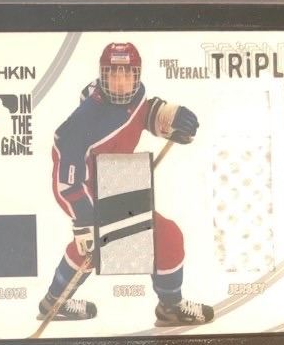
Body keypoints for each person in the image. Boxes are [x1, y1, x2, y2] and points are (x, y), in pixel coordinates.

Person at [38, 42, 214, 327]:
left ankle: (169, 307)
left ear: (137, 75)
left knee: (164, 236)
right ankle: (55, 303)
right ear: (103, 75)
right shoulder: (84, 120)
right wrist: (84, 220)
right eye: (113, 74)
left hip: (115, 181)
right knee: (95, 247)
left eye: (127, 74)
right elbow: (66, 177)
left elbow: (142, 114)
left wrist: (169, 117)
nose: (120, 82)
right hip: (85, 189)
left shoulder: (137, 96)